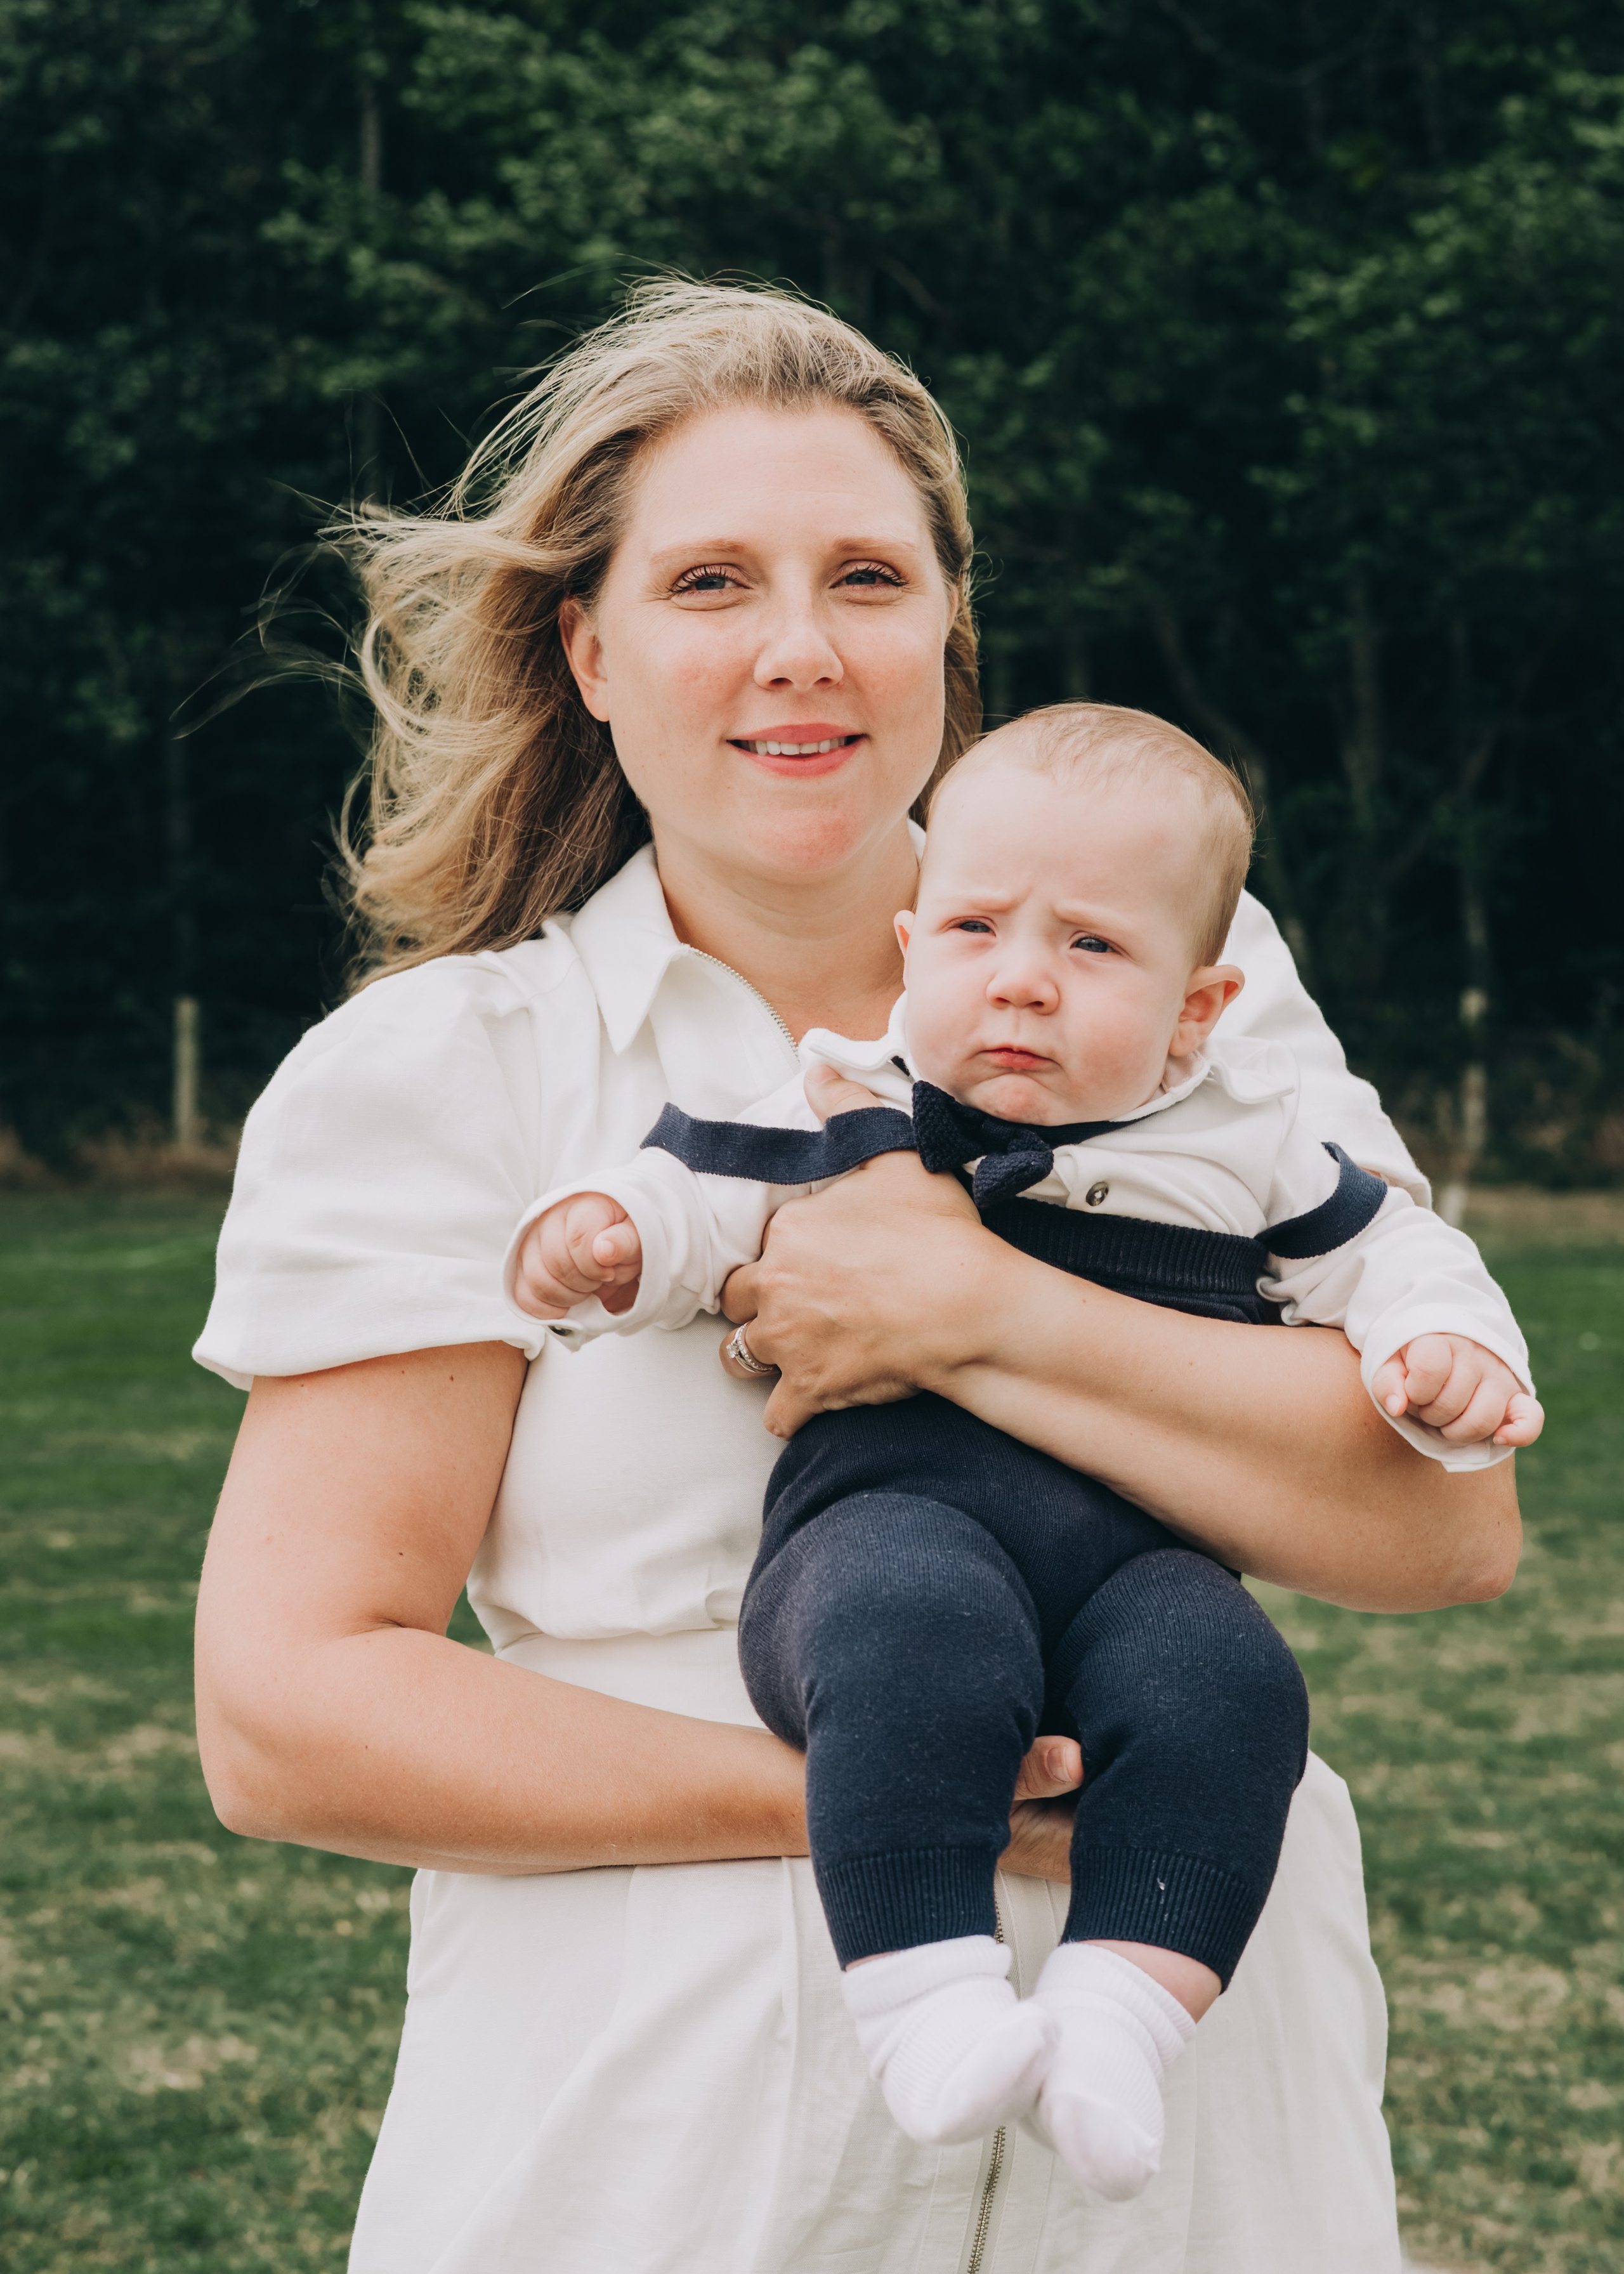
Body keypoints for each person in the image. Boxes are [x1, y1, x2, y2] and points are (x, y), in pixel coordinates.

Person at [191, 280, 1521, 2274]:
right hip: (672, 2133)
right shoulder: (449, 1070)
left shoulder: (1194, 999)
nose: (799, 653)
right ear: (592, 646)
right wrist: (914, 1807)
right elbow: (292, 1715)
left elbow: (1441, 1531)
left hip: (1190, 2133)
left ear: (946, 640)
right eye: (712, 580)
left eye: (869, 579)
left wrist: (974, 1308)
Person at [505, 702, 1537, 2197]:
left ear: (1199, 1009)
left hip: (1134, 1569)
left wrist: (1442, 1353)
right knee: (911, 1635)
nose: (1021, 984)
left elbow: (1395, 1261)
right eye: (978, 930)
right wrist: (605, 1236)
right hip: (883, 1519)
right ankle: (924, 2000)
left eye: (1091, 950)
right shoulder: (857, 1099)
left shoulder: (1247, 1143)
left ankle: (1122, 2010)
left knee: (1235, 1684)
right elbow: (697, 1189)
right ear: (916, 945)